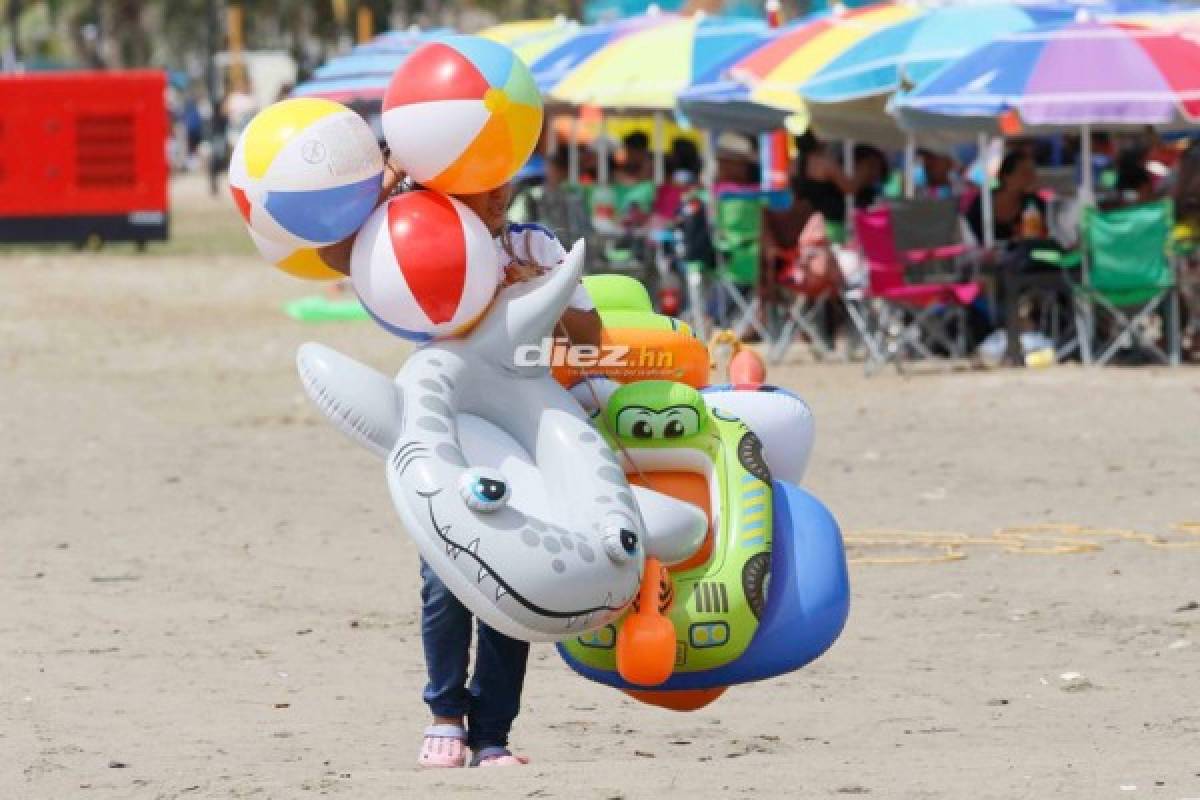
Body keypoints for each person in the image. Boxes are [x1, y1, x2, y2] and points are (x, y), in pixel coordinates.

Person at [320, 158, 601, 768]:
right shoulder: (416, 233)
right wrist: (393, 180)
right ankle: (445, 714)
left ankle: (493, 732)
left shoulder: (534, 242)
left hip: (515, 423)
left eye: (504, 178)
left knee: (511, 565)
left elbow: (592, 335)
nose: (499, 191)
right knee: (445, 574)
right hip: (443, 419)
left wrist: (537, 291)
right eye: (482, 182)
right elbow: (336, 256)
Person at [966, 151, 1046, 244]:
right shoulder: (982, 204)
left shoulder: (1036, 203)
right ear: (1006, 177)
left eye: (1033, 173)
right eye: (1025, 173)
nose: (1032, 177)